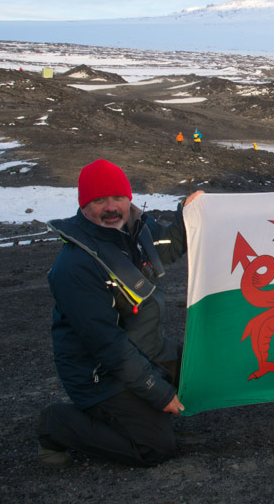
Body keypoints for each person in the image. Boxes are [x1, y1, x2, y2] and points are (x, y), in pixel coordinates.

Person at [37, 159, 203, 468]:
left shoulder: (136, 230)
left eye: (117, 198)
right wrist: (158, 392)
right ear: (84, 206)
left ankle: (139, 409)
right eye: (99, 200)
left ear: (128, 199)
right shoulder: (75, 267)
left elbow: (166, 249)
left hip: (147, 351)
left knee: (205, 377)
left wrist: (187, 214)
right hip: (101, 374)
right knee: (155, 447)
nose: (111, 207)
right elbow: (108, 345)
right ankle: (57, 424)